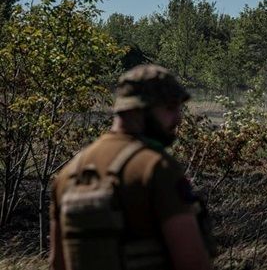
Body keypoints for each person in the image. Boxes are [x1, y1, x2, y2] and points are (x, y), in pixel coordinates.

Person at [49, 64, 213, 270]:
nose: (178, 118)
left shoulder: (68, 174)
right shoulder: (156, 167)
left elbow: (58, 263)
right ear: (138, 110)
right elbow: (192, 263)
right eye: (170, 108)